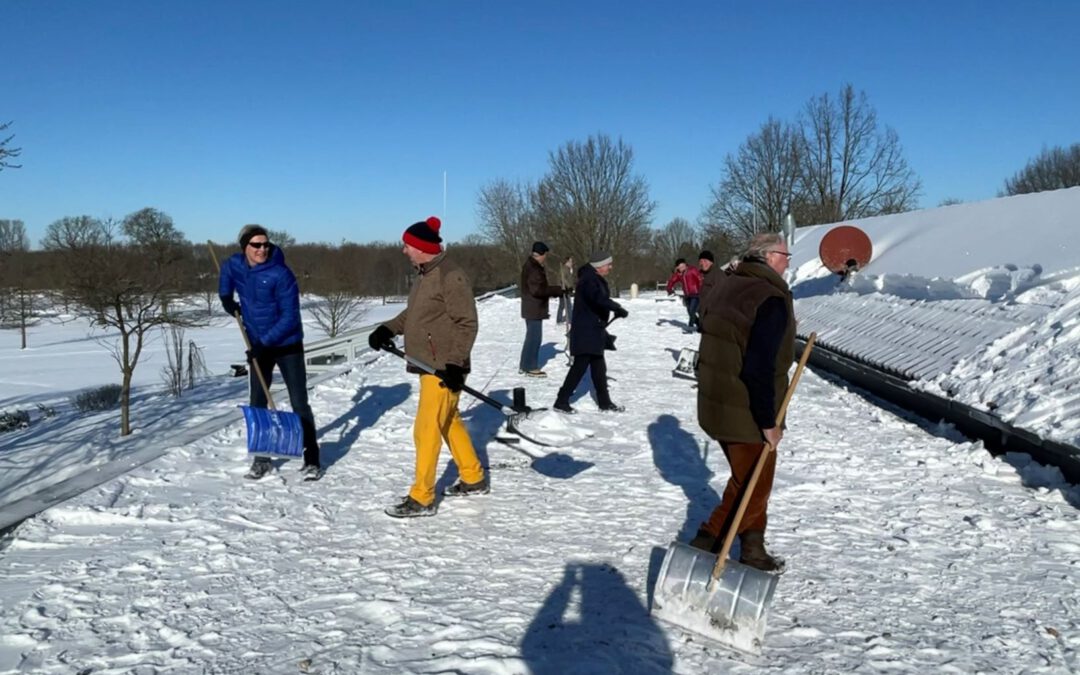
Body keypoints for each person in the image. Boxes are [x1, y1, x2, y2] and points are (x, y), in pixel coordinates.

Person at [367, 216, 488, 518]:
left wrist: (455, 364)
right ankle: (473, 477)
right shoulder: (425, 274)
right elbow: (415, 314)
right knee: (448, 422)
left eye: (406, 246)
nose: (404, 251)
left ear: (421, 248)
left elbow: (467, 323)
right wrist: (388, 329)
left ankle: (422, 497)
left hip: (443, 369)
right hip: (430, 365)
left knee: (426, 429)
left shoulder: (450, 276)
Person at [689, 232, 794, 571]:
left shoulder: (729, 285)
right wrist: (768, 421)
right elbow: (759, 366)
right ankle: (705, 544)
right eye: (784, 254)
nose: (789, 260)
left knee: (749, 479)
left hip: (717, 403)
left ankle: (753, 549)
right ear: (768, 257)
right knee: (753, 485)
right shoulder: (769, 298)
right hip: (745, 410)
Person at [219, 224, 322, 481]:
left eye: (265, 244)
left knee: (299, 402)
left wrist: (263, 345)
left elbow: (289, 317)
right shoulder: (236, 264)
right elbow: (226, 276)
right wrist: (226, 299)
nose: (262, 249)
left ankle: (312, 459)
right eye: (256, 245)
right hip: (258, 345)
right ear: (245, 247)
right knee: (258, 402)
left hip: (287, 345)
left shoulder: (281, 274)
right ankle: (262, 459)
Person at [553, 251, 629, 414]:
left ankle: (604, 402)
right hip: (586, 330)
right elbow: (597, 298)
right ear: (599, 266)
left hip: (593, 329)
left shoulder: (592, 278)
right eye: (608, 264)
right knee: (580, 366)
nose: (610, 267)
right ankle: (561, 400)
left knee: (599, 367)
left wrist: (612, 310)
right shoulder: (588, 280)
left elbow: (598, 301)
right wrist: (616, 307)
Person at [519, 241, 564, 377]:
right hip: (534, 307)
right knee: (534, 338)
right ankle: (530, 367)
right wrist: (557, 290)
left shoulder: (532, 265)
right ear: (541, 254)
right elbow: (538, 290)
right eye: (545, 255)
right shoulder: (534, 268)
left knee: (531, 337)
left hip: (532, 307)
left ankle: (525, 365)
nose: (546, 258)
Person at [665, 258, 703, 331]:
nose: (682, 268)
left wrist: (702, 289)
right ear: (677, 267)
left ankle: (690, 326)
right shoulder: (679, 274)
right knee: (690, 312)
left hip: (696, 294)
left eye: (683, 266)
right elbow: (672, 281)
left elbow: (700, 279)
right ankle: (700, 325)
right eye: (680, 267)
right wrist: (669, 289)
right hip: (687, 295)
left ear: (686, 265)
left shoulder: (692, 270)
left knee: (692, 310)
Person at [556, 256, 575, 324]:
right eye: (570, 261)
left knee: (562, 305)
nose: (571, 263)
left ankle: (559, 319)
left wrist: (571, 287)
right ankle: (570, 320)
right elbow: (563, 279)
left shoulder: (568, 269)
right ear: (567, 262)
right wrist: (569, 287)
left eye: (571, 261)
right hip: (563, 289)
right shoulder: (564, 268)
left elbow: (569, 279)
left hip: (564, 289)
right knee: (569, 305)